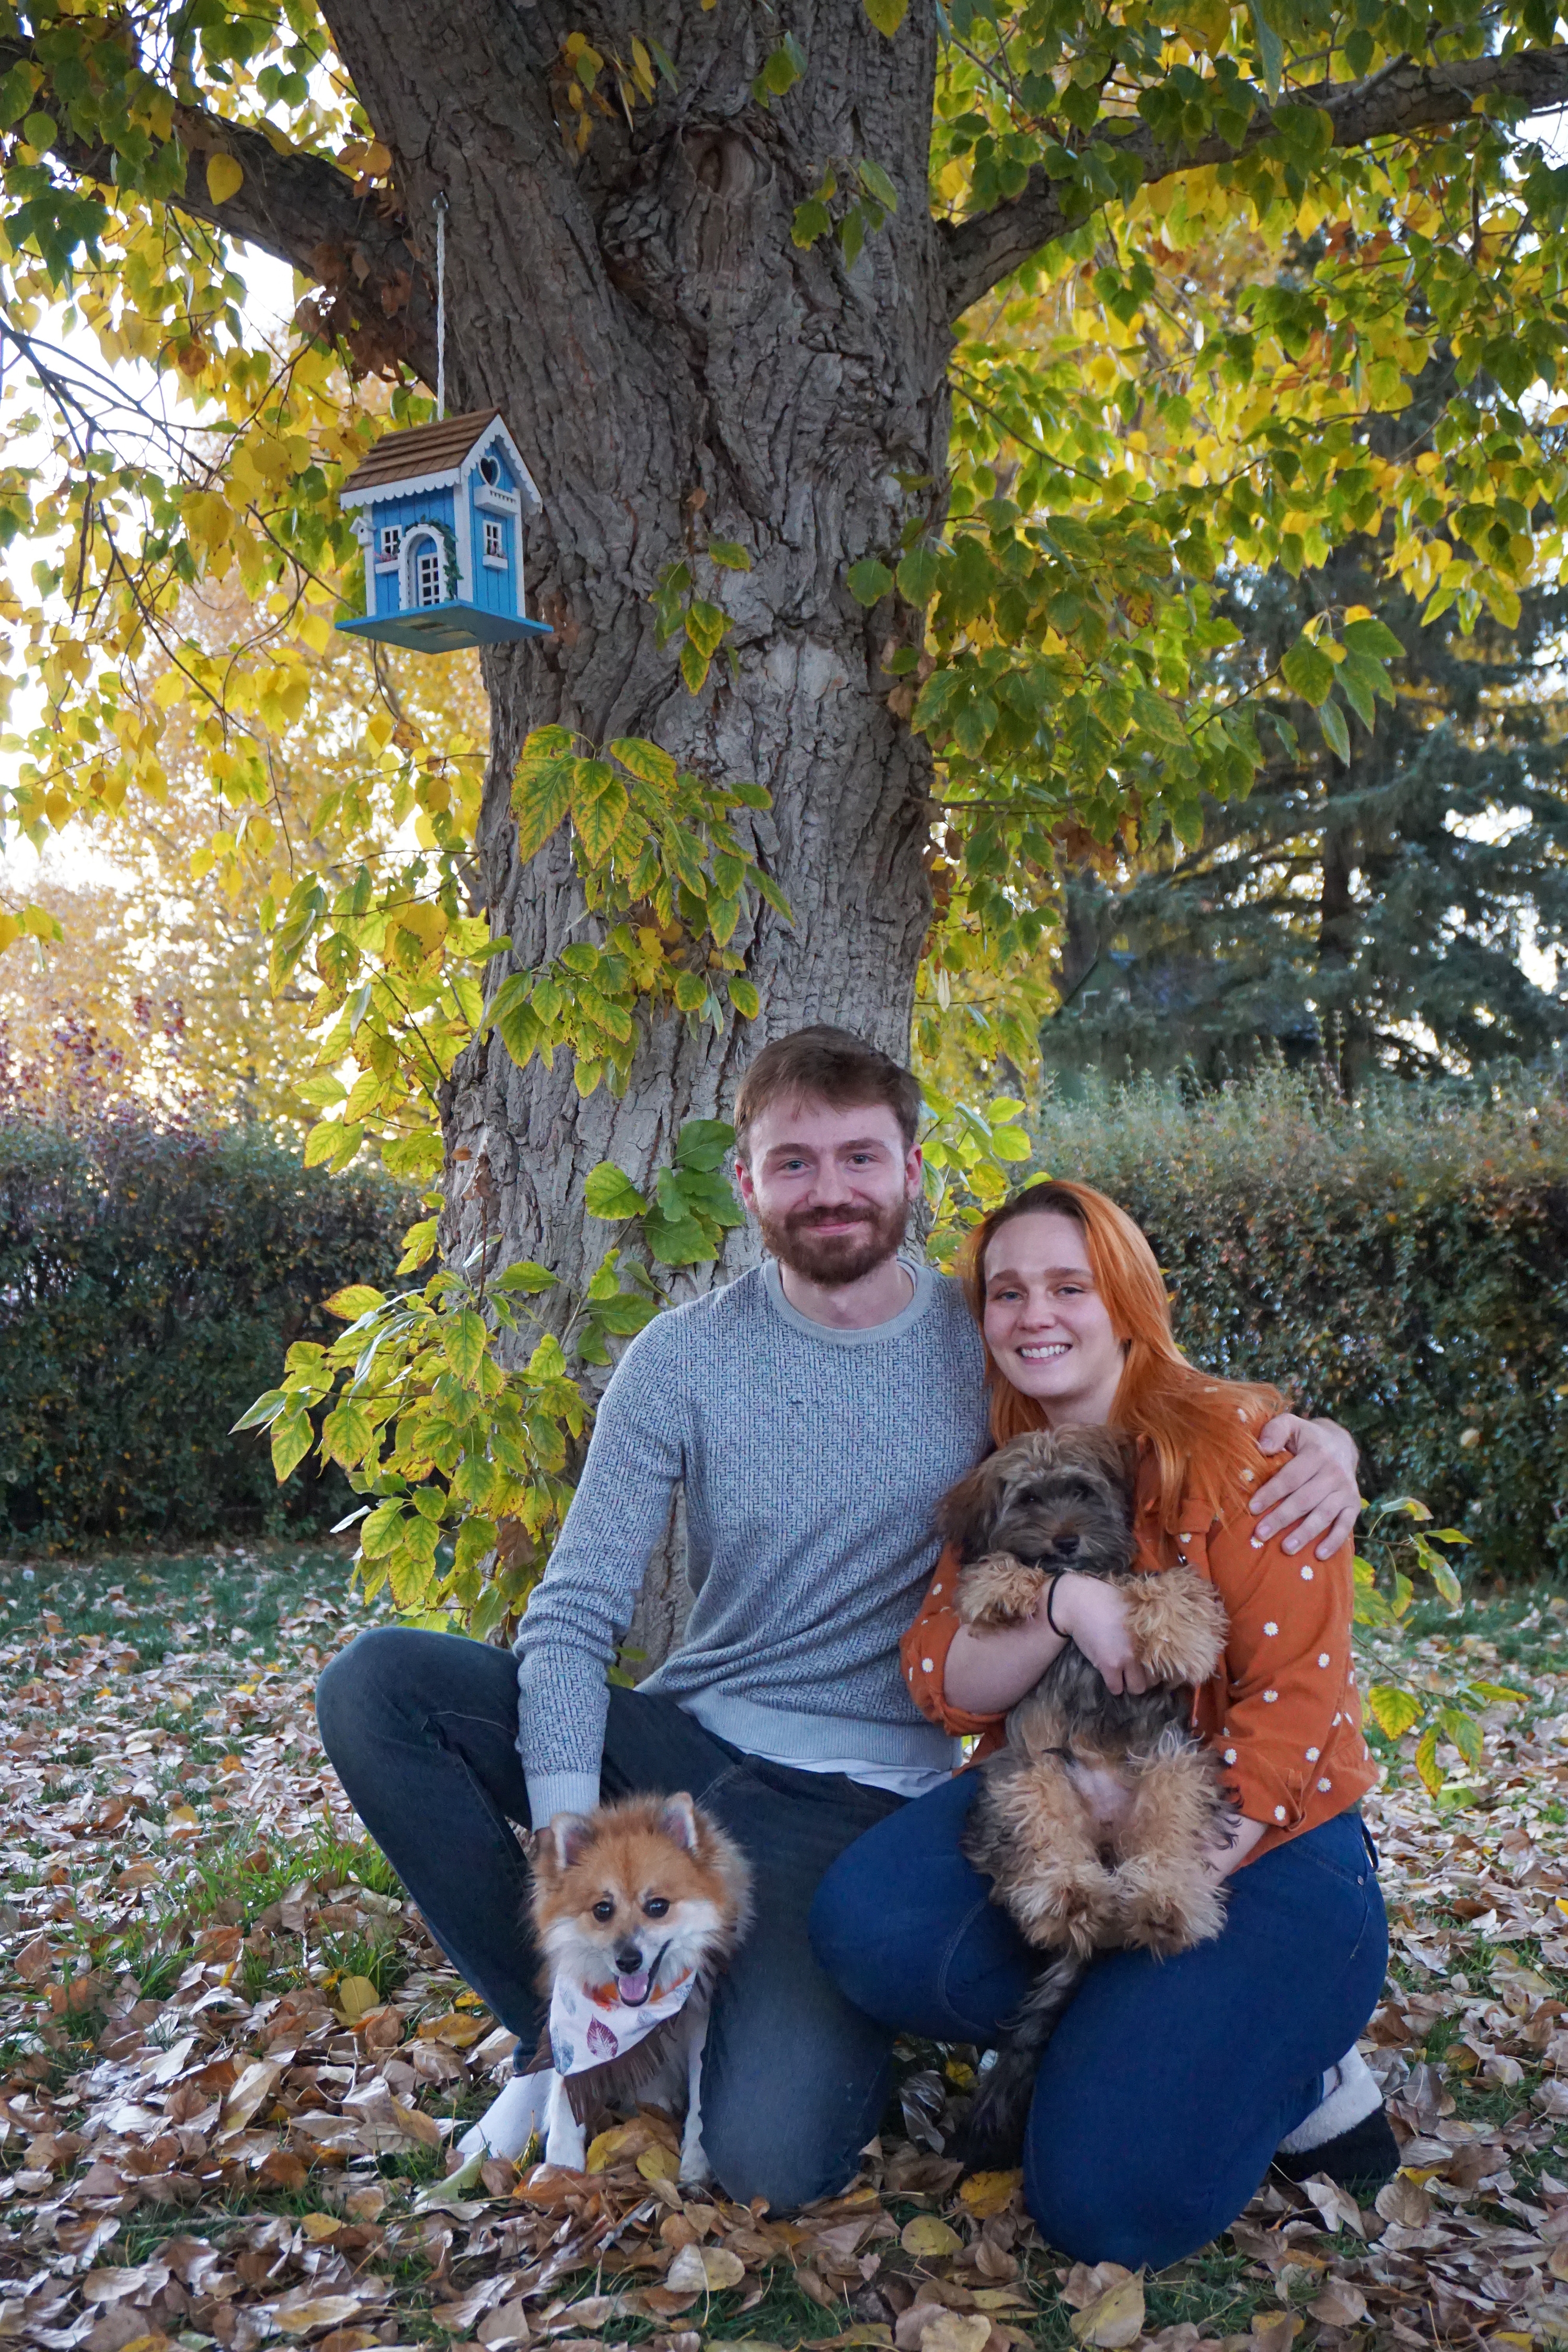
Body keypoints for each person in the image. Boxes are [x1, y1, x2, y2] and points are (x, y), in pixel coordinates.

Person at [314, 1028, 1366, 2211]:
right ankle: (562, 2038)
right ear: (749, 1184)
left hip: (861, 1800)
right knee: (380, 1687)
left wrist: (1320, 1442)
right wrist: (570, 1854)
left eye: (860, 1157)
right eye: (794, 1162)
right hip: (685, 1746)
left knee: (770, 2168)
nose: (830, 1190)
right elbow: (570, 1617)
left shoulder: (992, 1347)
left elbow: (1147, 1391)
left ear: (911, 1171)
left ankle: (768, 2027)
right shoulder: (683, 1359)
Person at [809, 1178, 1393, 2265]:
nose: (1036, 1315)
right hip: (1072, 1800)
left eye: (1069, 1286)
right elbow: (941, 1673)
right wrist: (1061, 1602)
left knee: (1106, 2211)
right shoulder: (1005, 1467)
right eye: (1007, 1292)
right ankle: (1135, 2035)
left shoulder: (1248, 1453)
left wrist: (1164, 1876)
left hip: (1268, 1843)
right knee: (868, 1925)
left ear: (1126, 1299)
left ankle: (1293, 2062)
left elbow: (1296, 1708)